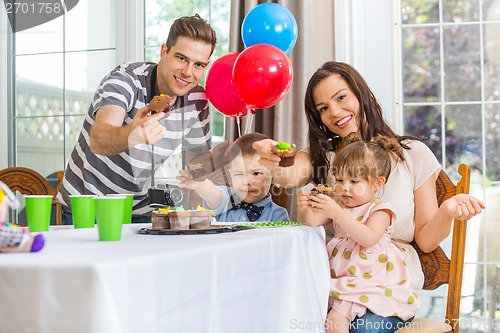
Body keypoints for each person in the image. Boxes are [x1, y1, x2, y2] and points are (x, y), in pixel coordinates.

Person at [252, 61, 485, 332]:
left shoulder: (413, 154)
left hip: (386, 282)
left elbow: (426, 238)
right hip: (336, 278)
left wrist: (447, 211)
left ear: (361, 95)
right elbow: (289, 176)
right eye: (323, 109)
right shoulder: (326, 157)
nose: (335, 112)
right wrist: (274, 159)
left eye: (341, 98)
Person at [56, 14, 218, 223]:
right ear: (164, 51)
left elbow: (198, 166)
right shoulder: (126, 79)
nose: (188, 72)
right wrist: (133, 135)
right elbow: (99, 139)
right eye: (181, 58)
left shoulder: (197, 100)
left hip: (139, 212)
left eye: (199, 65)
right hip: (87, 207)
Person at [304, 134, 419, 332]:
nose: (344, 188)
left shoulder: (380, 209)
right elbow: (313, 221)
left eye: (354, 181)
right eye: (339, 179)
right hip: (344, 281)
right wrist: (305, 207)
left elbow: (368, 238)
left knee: (335, 322)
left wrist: (337, 214)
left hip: (371, 283)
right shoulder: (339, 204)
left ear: (377, 183)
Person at [177, 133, 290, 222]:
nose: (246, 181)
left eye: (256, 174)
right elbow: (212, 193)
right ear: (231, 176)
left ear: (274, 177)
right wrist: (199, 183)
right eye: (239, 174)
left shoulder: (278, 215)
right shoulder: (226, 199)